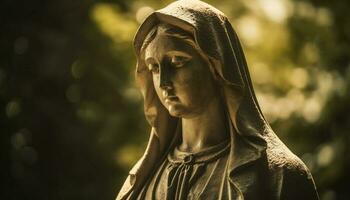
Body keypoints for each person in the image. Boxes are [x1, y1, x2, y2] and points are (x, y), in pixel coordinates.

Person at [117, 0, 319, 199]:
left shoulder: (277, 175)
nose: (163, 83)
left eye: (177, 62)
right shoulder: (140, 185)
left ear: (217, 66)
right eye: (154, 67)